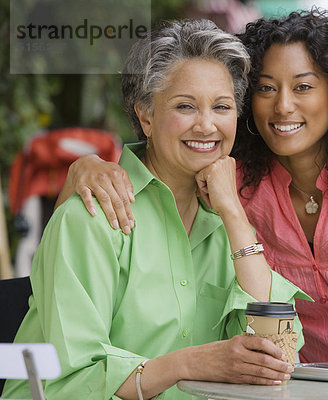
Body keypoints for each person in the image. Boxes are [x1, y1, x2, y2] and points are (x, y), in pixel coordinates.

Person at [57, 9, 328, 372]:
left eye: (303, 87)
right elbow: (72, 231)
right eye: (266, 88)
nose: (283, 105)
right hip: (318, 388)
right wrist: (84, 168)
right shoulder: (236, 181)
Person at [2, 19, 310, 400]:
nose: (207, 125)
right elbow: (71, 380)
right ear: (145, 116)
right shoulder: (94, 218)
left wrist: (232, 212)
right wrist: (188, 364)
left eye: (222, 107)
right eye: (185, 106)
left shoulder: (228, 225)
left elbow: (279, 352)